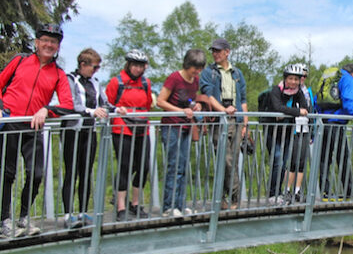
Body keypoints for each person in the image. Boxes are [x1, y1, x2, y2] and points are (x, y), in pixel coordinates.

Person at [0, 23, 74, 238]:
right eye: (45, 40)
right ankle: (4, 221)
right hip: (10, 123)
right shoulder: (20, 61)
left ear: (57, 47)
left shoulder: (58, 73)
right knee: (8, 173)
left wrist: (47, 110)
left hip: (33, 127)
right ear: (37, 43)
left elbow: (67, 104)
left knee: (36, 174)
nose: (49, 44)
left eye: (53, 42)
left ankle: (24, 218)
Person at [62, 48, 123, 229]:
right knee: (71, 173)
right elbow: (72, 104)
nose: (96, 71)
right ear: (83, 65)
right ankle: (68, 215)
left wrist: (116, 109)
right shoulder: (70, 80)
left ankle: (82, 211)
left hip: (89, 132)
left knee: (86, 172)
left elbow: (103, 102)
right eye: (94, 67)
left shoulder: (95, 82)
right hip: (73, 131)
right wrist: (91, 111)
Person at [199, 38, 248, 209]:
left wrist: (245, 123)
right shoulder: (208, 72)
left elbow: (243, 99)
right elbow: (208, 96)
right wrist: (222, 109)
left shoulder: (237, 73)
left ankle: (223, 198)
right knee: (224, 159)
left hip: (236, 119)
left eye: (218, 51)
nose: (215, 54)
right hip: (219, 120)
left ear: (227, 52)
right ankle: (233, 198)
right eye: (213, 51)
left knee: (233, 159)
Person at [156, 49, 205, 217]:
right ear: (187, 64)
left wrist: (194, 106)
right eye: (194, 68)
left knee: (183, 167)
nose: (197, 72)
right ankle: (168, 206)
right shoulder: (174, 78)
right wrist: (180, 111)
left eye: (199, 68)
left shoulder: (195, 81)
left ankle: (180, 204)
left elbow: (189, 100)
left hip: (185, 127)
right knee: (173, 166)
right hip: (171, 127)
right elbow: (160, 101)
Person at [106, 49, 153, 221]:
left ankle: (135, 203)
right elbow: (108, 103)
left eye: (140, 66)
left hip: (142, 127)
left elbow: (148, 104)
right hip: (122, 128)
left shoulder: (146, 83)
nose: (137, 69)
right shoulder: (116, 82)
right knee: (125, 166)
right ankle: (120, 207)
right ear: (128, 65)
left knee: (143, 166)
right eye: (135, 65)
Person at [315, 63, 353, 200]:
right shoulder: (347, 78)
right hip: (337, 122)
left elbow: (317, 100)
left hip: (324, 121)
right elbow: (348, 99)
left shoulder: (329, 78)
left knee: (324, 158)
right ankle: (348, 191)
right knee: (343, 157)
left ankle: (324, 191)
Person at [266, 64, 310, 204]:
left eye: (296, 79)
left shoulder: (298, 92)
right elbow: (277, 107)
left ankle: (279, 193)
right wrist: (296, 112)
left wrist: (288, 112)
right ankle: (273, 194)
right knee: (277, 161)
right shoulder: (276, 90)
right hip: (273, 131)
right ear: (285, 79)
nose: (293, 82)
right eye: (290, 79)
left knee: (284, 163)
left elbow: (306, 108)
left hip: (287, 131)